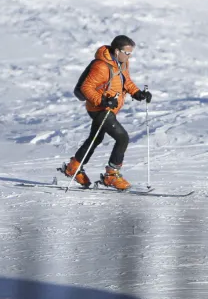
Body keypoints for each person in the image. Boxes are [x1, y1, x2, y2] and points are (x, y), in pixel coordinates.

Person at [61, 35, 151, 191]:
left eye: (131, 53)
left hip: (109, 108)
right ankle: (111, 175)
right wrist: (102, 101)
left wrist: (137, 93)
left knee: (95, 139)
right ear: (117, 51)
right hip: (99, 109)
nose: (129, 56)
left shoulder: (122, 62)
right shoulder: (101, 66)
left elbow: (125, 80)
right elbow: (86, 88)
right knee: (122, 138)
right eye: (127, 52)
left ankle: (73, 167)